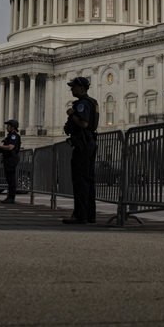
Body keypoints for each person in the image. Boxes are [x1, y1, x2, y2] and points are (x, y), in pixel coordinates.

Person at [62, 75, 99, 225]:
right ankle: (90, 215)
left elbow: (83, 123)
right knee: (89, 180)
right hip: (89, 142)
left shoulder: (82, 104)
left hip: (82, 144)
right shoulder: (93, 102)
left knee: (80, 180)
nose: (71, 89)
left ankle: (80, 215)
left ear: (82, 88)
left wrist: (72, 114)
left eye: (74, 86)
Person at [0, 119, 21, 203]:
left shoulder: (14, 136)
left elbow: (10, 147)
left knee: (11, 179)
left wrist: (0, 146)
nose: (7, 127)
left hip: (11, 158)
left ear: (12, 127)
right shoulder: (10, 135)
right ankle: (9, 197)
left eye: (8, 126)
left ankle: (11, 197)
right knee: (9, 178)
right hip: (8, 158)